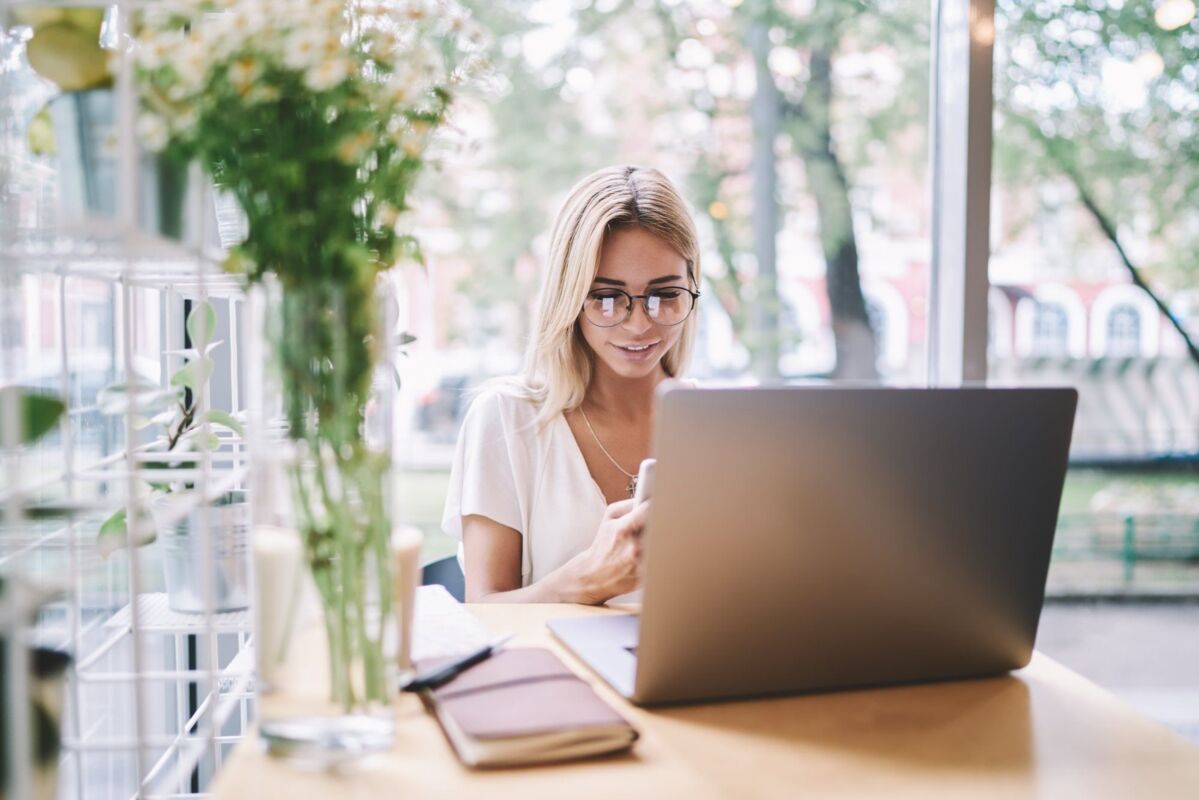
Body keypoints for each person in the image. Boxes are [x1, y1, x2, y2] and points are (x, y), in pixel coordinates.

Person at [441, 165, 702, 603]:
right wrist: (588, 579)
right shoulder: (507, 419)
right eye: (605, 297)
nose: (639, 324)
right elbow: (484, 612)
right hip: (557, 671)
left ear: (691, 289)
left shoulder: (718, 426)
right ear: (569, 297)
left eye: (665, 294)